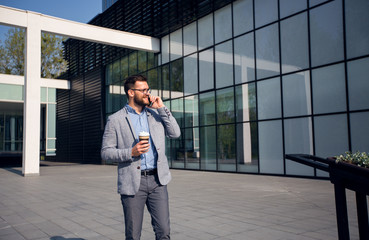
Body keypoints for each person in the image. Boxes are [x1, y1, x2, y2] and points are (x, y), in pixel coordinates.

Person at [101, 74, 180, 240]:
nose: (147, 94)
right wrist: (131, 152)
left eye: (148, 90)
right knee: (133, 234)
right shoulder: (115, 120)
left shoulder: (156, 114)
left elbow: (175, 133)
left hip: (158, 181)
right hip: (132, 183)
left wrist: (162, 108)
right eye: (143, 90)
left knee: (164, 231)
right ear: (131, 92)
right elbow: (106, 152)